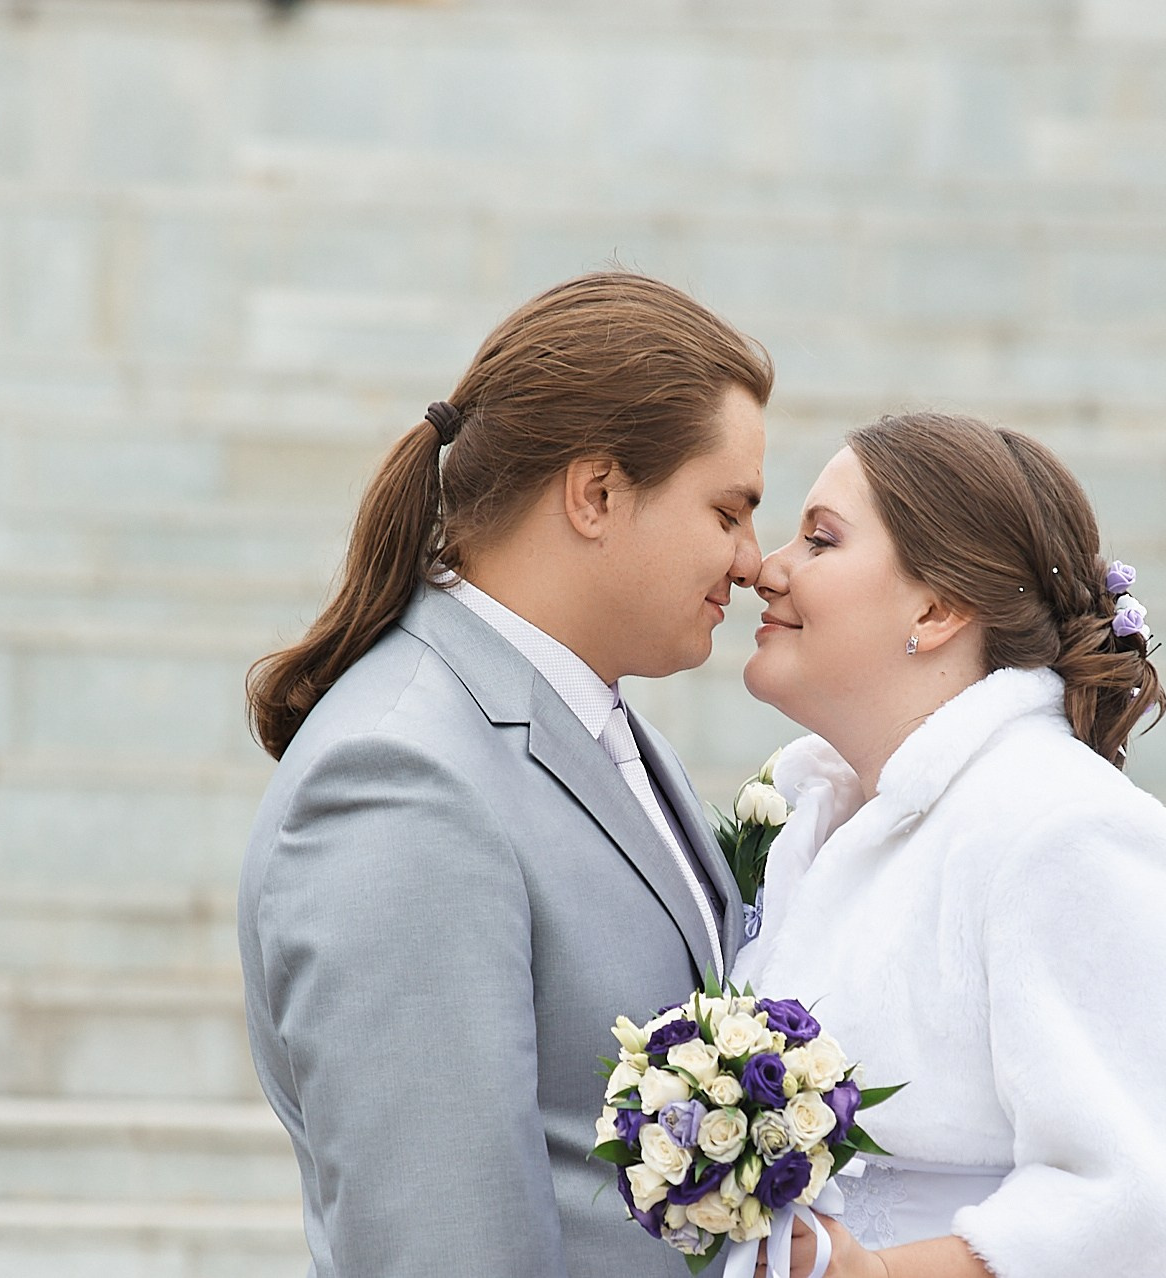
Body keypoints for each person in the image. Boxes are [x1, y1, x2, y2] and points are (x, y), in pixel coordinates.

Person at [239, 272, 772, 1278]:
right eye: (728, 510)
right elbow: (441, 1239)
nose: (753, 561)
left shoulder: (578, 719)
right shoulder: (401, 778)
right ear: (597, 493)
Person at [729, 412, 1166, 1278]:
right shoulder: (807, 813)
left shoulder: (1065, 830)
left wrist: (866, 1275)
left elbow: (1162, 1212)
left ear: (939, 608)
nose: (766, 568)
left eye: (820, 541)